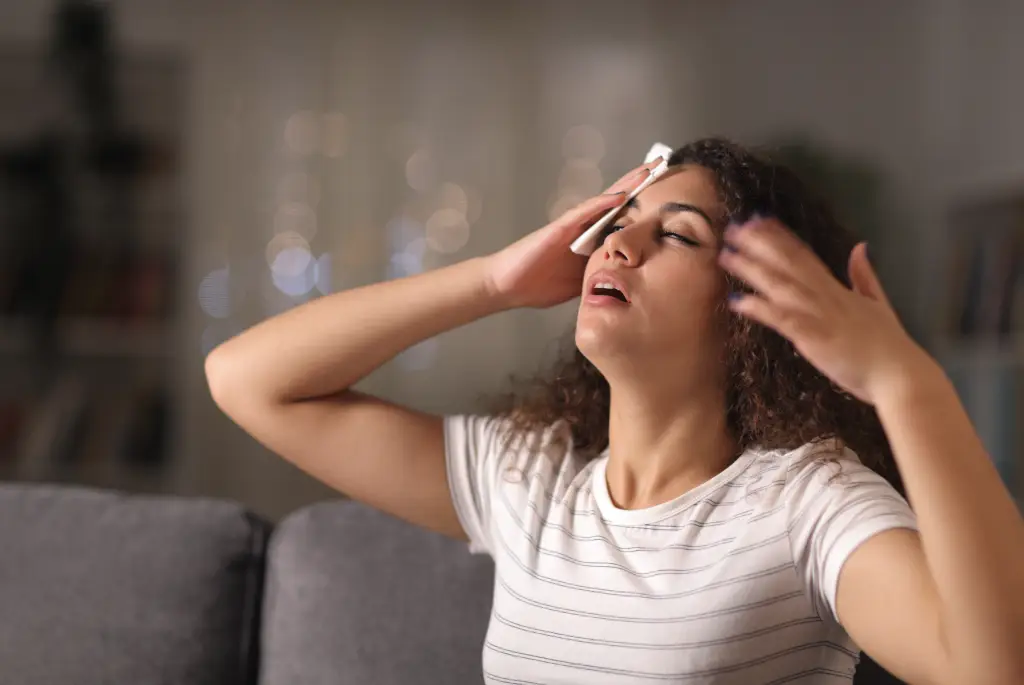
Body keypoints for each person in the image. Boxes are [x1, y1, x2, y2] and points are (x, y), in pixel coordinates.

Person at [205, 138, 1024, 684]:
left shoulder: (805, 502)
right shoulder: (529, 476)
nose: (617, 246)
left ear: (753, 305)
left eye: (678, 236)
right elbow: (246, 379)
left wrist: (907, 386)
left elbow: (990, 667)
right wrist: (493, 280)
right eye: (616, 223)